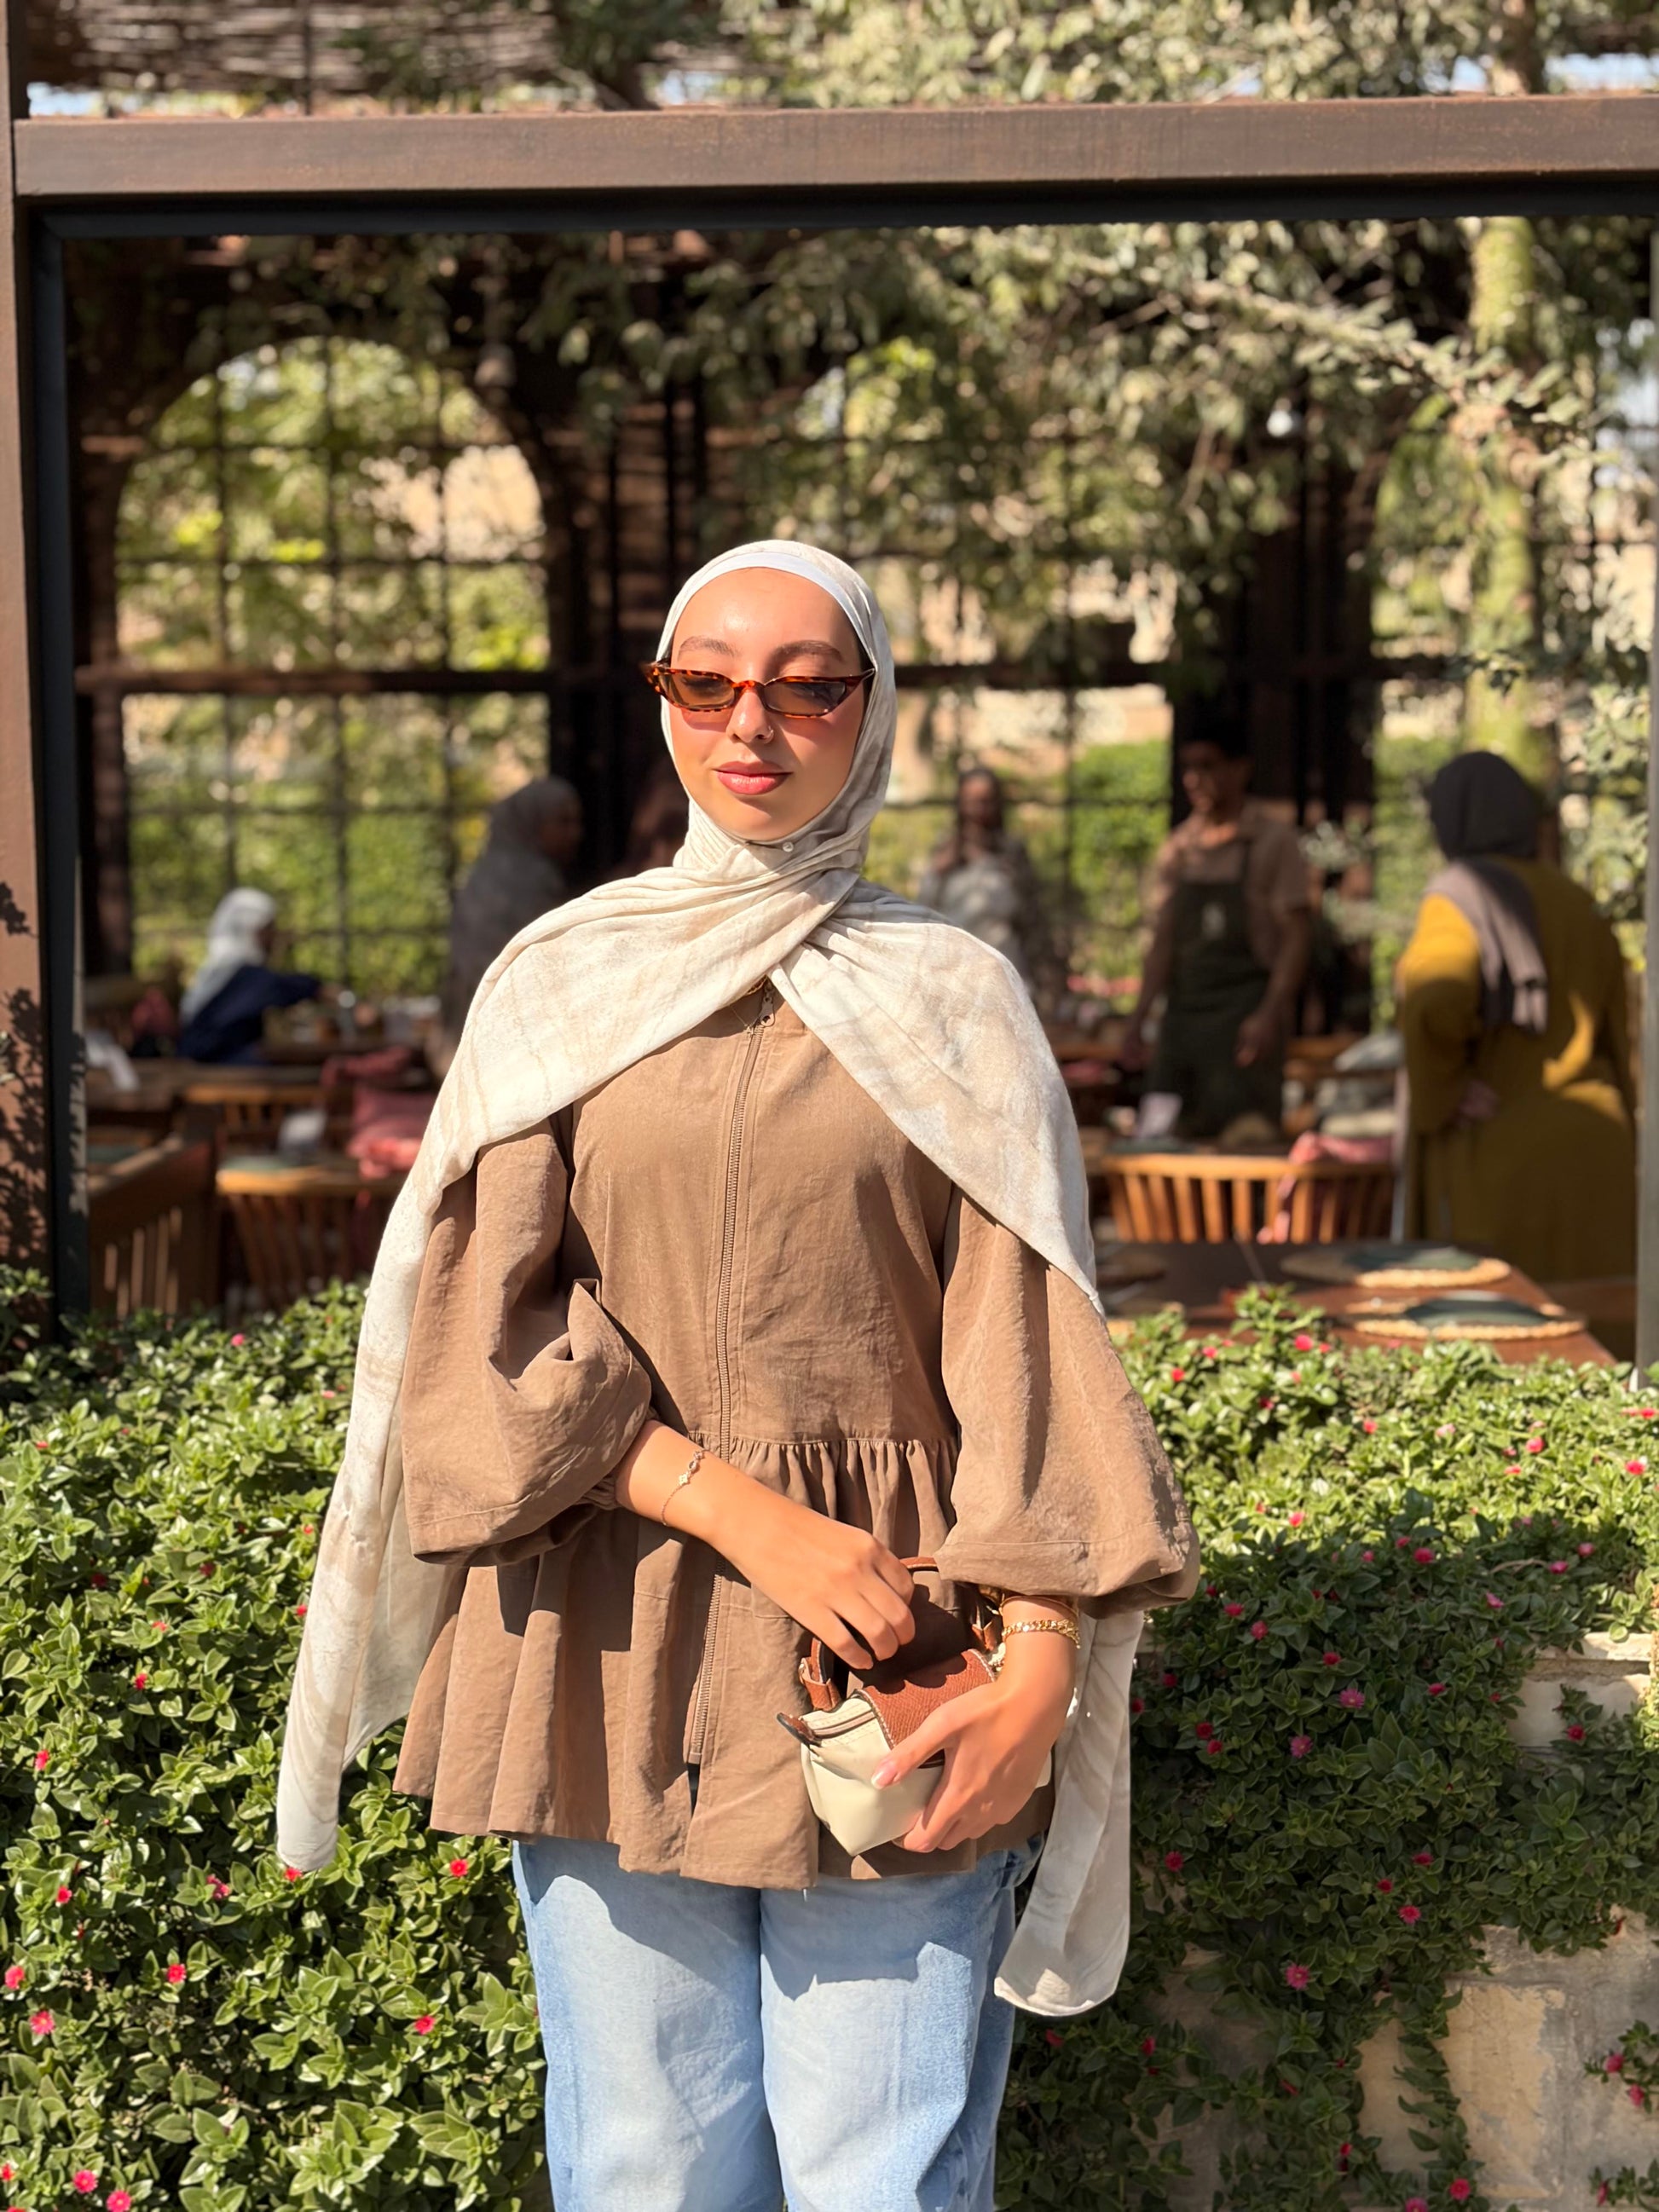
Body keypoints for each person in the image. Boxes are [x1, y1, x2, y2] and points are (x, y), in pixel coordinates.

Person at [275, 541, 1196, 2212]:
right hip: (609, 1634)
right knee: (644, 2165)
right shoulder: (568, 980)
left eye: (805, 685)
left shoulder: (954, 996)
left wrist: (1045, 1656)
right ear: (663, 705)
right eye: (702, 684)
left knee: (883, 2175)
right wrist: (752, 1517)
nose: (749, 723)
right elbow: (485, 1330)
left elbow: (1029, 1347)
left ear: (874, 707)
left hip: (897, 1654)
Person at [1396, 749, 1634, 1282]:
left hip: (1504, 1165)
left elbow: (1434, 998)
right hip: (1600, 1154)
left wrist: (1444, 1090)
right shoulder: (1579, 903)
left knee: (1507, 1324)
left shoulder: (1462, 896)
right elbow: (1620, 1036)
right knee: (1601, 1324)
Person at [1119, 710, 1311, 1140]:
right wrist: (1139, 1018)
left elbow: (1296, 938)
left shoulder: (1272, 842)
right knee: (1161, 1141)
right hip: (1182, 1025)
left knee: (1246, 1145)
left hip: (1244, 1024)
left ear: (1240, 769)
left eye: (1207, 766)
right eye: (1188, 767)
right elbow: (1162, 944)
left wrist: (1269, 1013)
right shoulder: (1179, 848)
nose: (1194, 779)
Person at [440, 776, 583, 1043]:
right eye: (563, 822)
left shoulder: (486, 872)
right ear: (532, 823)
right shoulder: (530, 880)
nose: (575, 834)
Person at [916, 765, 1053, 991]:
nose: (978, 810)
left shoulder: (1011, 854)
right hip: (955, 973)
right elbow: (925, 907)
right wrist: (938, 871)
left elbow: (1029, 916)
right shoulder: (946, 852)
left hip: (1004, 972)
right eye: (971, 801)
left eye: (986, 801)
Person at [175, 887, 321, 1064]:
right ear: (250, 930)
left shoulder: (223, 971)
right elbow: (279, 986)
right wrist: (320, 989)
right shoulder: (239, 973)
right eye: (268, 929)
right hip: (211, 1063)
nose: (273, 937)